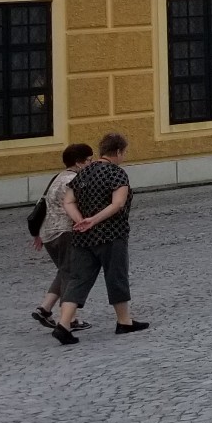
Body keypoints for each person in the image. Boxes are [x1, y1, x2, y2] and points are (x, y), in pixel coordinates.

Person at [52, 132, 146, 344]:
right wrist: (94, 220)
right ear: (118, 151)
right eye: (124, 153)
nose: (123, 157)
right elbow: (118, 204)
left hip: (83, 237)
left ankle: (64, 324)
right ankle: (124, 321)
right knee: (116, 276)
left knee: (77, 280)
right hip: (112, 234)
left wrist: (80, 221)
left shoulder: (82, 173)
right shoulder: (116, 173)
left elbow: (68, 201)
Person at [31, 143, 93, 329]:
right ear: (79, 162)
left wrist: (36, 233)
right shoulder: (75, 180)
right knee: (73, 274)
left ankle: (44, 309)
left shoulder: (57, 178)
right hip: (65, 231)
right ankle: (68, 319)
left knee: (65, 270)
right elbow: (82, 205)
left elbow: (44, 205)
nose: (91, 164)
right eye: (89, 160)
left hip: (48, 233)